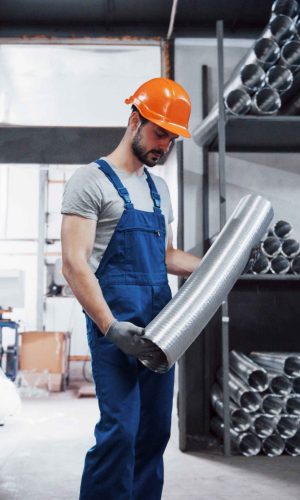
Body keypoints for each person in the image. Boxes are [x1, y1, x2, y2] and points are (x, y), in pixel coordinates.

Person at [61, 77, 201, 500]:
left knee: (154, 432)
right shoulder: (90, 181)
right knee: (120, 431)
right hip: (116, 327)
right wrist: (109, 326)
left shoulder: (160, 189)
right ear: (134, 120)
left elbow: (166, 256)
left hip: (163, 327)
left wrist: (216, 269)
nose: (164, 146)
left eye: (172, 139)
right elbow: (73, 262)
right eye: (160, 133)